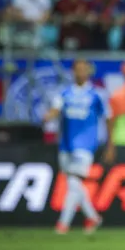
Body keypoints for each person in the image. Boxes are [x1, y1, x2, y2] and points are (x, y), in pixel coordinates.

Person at [43, 59, 109, 235]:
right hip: (65, 144)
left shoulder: (97, 94)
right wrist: (47, 116)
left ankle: (63, 224)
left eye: (84, 69)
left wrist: (111, 143)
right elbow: (55, 110)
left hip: (86, 144)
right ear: (73, 71)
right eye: (77, 69)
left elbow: (108, 117)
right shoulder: (64, 93)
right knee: (74, 183)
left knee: (73, 182)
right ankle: (93, 217)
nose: (81, 72)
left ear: (89, 71)